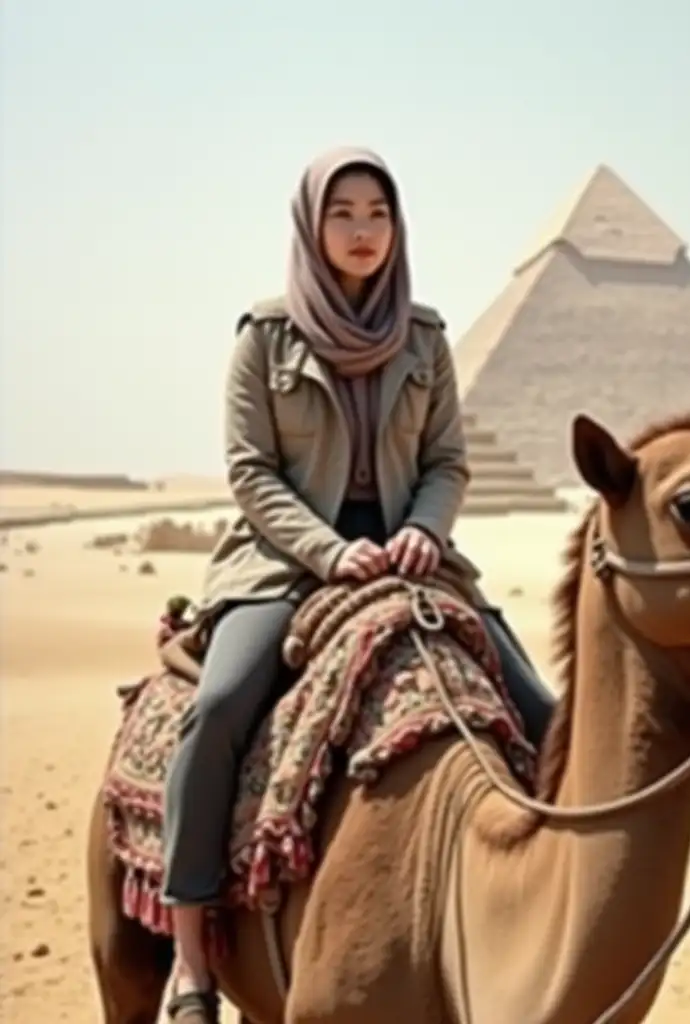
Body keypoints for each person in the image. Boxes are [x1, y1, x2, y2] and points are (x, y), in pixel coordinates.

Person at [160, 147, 556, 1022]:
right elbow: (251, 471)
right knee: (221, 707)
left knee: (547, 718)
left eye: (378, 212)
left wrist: (423, 528)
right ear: (311, 225)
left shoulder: (425, 339)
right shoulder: (265, 339)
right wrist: (328, 552)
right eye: (343, 213)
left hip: (417, 562)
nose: (363, 231)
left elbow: (447, 460)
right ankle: (191, 956)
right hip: (285, 565)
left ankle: (537, 928)